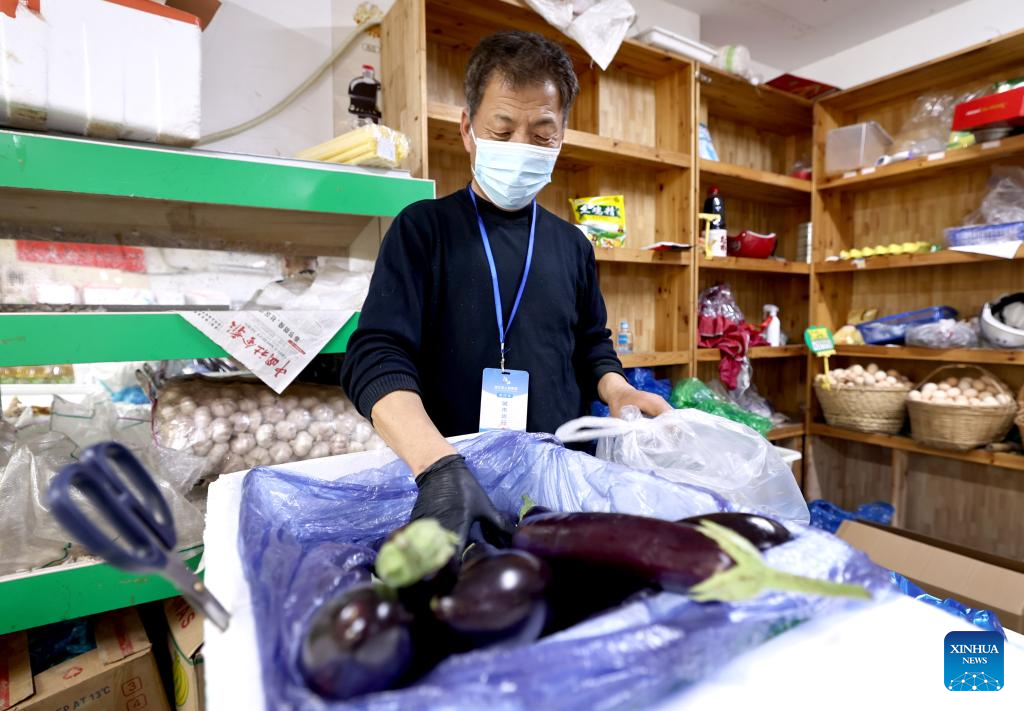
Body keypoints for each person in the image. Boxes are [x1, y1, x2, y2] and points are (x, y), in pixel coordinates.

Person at [340, 30, 671, 550]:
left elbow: (592, 345)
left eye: (541, 135)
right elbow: (376, 356)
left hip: (556, 492)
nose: (521, 148)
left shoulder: (573, 245)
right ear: (468, 130)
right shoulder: (423, 230)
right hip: (447, 489)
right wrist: (437, 468)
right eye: (502, 129)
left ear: (561, 138)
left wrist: (618, 390)